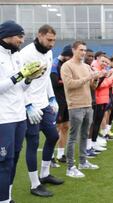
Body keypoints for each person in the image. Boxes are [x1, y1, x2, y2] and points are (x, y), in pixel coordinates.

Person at [0, 20, 44, 203]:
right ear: (7, 35)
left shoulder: (16, 56)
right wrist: (20, 75)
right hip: (3, 117)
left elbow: (20, 88)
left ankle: (7, 197)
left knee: (14, 158)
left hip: (19, 115)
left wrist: (28, 79)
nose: (22, 40)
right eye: (19, 36)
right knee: (4, 162)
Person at [20, 24, 64, 197]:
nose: (52, 43)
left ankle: (45, 174)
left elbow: (45, 78)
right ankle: (34, 184)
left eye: (54, 40)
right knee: (33, 143)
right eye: (49, 39)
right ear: (39, 35)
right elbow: (19, 83)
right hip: (30, 106)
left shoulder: (49, 52)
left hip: (44, 104)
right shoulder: (25, 54)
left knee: (53, 136)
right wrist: (27, 105)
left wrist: (52, 98)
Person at [61, 41, 100, 178]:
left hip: (88, 104)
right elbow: (70, 84)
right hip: (75, 105)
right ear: (73, 50)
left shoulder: (86, 66)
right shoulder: (67, 66)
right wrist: (88, 77)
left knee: (84, 135)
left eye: (84, 50)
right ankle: (70, 167)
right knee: (73, 138)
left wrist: (96, 79)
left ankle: (83, 162)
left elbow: (92, 87)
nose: (83, 52)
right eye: (80, 50)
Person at [50, 44, 73, 165]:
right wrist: (70, 81)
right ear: (66, 55)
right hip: (57, 100)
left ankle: (60, 154)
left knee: (65, 126)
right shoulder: (55, 64)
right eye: (71, 57)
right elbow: (54, 82)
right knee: (56, 128)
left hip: (66, 100)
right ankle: (50, 156)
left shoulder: (66, 64)